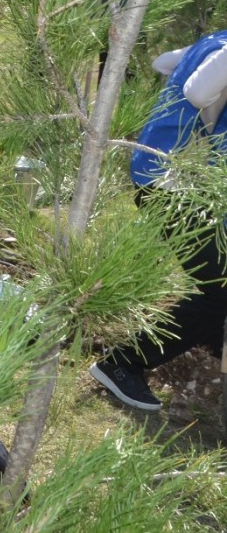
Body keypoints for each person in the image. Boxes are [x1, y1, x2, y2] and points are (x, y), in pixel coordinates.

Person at [88, 31, 227, 411]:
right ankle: (121, 363)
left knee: (218, 284)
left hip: (158, 173)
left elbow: (163, 62)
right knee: (218, 292)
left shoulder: (214, 40)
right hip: (172, 182)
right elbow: (199, 92)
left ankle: (209, 347)